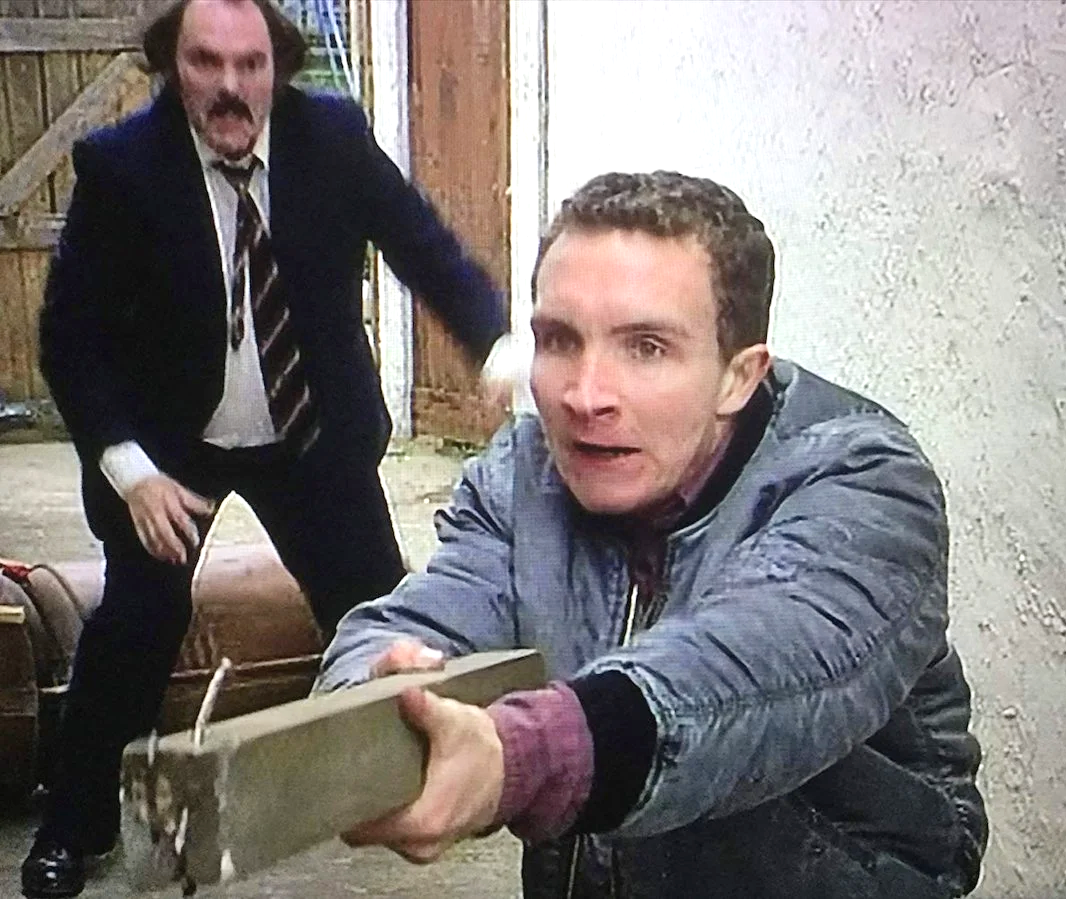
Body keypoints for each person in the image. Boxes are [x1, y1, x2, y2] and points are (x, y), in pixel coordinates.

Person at [315, 171, 989, 898]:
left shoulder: (865, 481)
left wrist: (521, 755)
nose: (585, 395)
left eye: (645, 347)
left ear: (739, 377)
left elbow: (742, 675)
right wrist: (377, 702)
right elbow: (423, 619)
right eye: (558, 340)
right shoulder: (522, 477)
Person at [21, 0, 509, 896]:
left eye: (250, 64)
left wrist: (495, 342)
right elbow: (70, 338)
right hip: (172, 451)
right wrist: (129, 472)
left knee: (378, 605)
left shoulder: (333, 138)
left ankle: (408, 783)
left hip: (308, 433)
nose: (231, 86)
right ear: (172, 64)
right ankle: (73, 826)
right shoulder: (121, 166)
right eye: (206, 63)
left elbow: (423, 245)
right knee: (138, 623)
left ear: (277, 66)